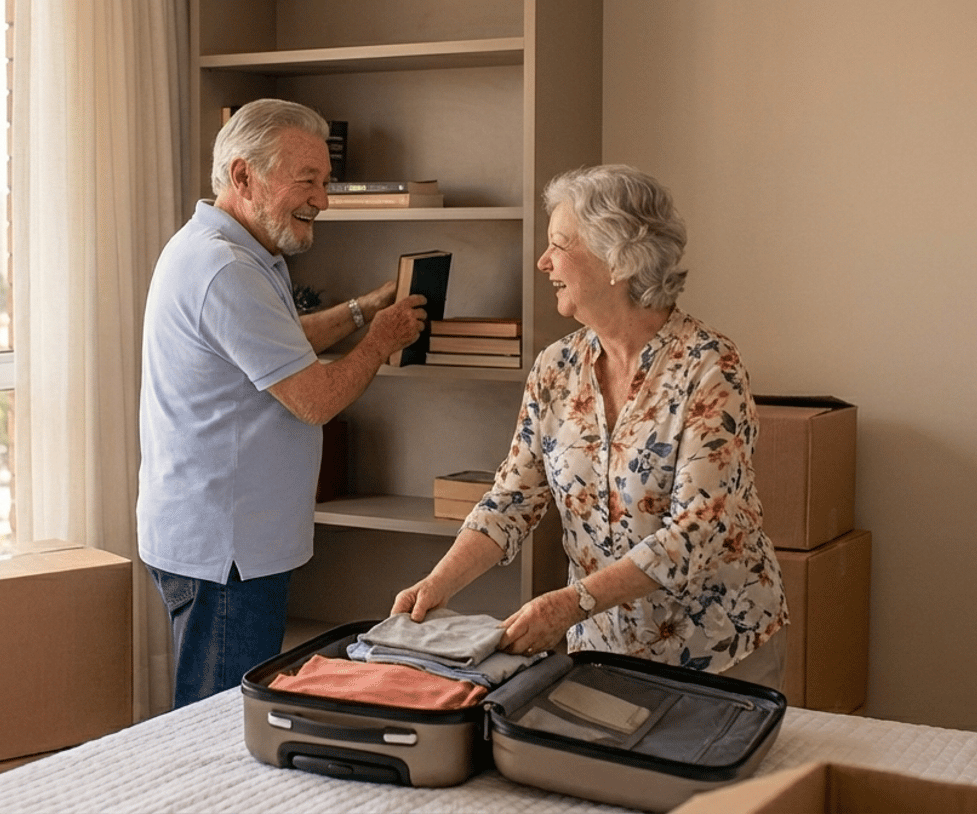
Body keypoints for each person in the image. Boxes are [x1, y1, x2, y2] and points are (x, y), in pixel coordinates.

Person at [391, 164, 789, 689]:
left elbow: (698, 530)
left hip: (717, 648)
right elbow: (511, 501)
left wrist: (573, 601)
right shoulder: (556, 368)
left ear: (617, 260)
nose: (543, 261)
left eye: (559, 244)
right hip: (599, 652)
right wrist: (438, 585)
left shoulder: (709, 366)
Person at [138, 98, 428, 708]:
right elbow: (314, 399)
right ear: (243, 176)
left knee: (218, 716)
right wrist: (379, 340)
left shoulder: (225, 249)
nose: (322, 199)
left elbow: (277, 344)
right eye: (308, 181)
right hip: (228, 554)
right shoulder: (227, 270)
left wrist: (360, 310)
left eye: (325, 182)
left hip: (223, 542)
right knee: (217, 728)